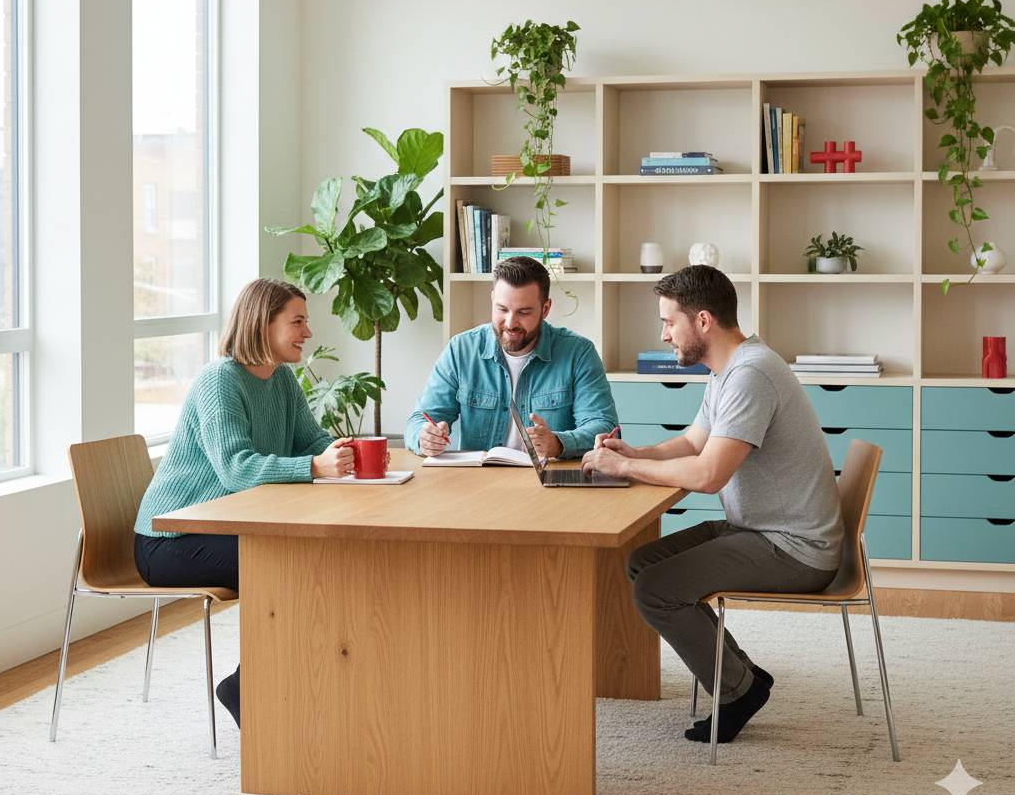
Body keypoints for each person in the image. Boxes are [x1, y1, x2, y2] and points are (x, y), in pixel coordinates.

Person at [581, 265, 842, 744]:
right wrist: (634, 454)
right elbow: (692, 443)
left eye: (668, 322)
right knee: (643, 562)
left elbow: (706, 475)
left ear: (702, 321)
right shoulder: (730, 369)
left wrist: (624, 471)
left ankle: (739, 691)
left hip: (794, 548)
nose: (663, 335)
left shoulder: (751, 375)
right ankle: (743, 676)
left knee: (655, 589)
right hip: (762, 530)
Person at [133, 278, 357, 727]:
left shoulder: (281, 379)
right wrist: (315, 467)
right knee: (291, 566)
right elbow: (236, 469)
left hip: (224, 528)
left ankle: (286, 686)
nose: (307, 333)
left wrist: (345, 453)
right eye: (297, 322)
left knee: (322, 561)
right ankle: (247, 687)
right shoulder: (221, 381)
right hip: (169, 539)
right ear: (263, 324)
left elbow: (311, 442)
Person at [404, 256, 617, 460]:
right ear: (492, 300)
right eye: (502, 309)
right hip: (477, 484)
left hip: (548, 484)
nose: (510, 322)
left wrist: (558, 443)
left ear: (545, 309)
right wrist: (424, 438)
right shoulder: (461, 349)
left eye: (523, 312)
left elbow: (604, 428)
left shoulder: (578, 353)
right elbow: (419, 419)